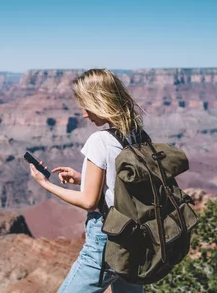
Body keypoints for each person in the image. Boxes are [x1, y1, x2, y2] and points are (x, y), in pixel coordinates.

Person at [28, 68, 145, 293]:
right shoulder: (136, 134)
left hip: (107, 239)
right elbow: (124, 185)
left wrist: (46, 184)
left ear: (100, 101)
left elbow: (89, 202)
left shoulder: (100, 140)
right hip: (134, 237)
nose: (83, 114)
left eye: (86, 105)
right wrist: (84, 179)